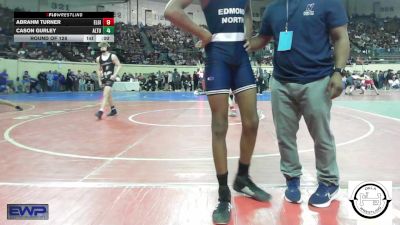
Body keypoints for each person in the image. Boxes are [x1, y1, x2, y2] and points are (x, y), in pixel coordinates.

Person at [165, 0, 271, 223]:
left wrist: (249, 38)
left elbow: (247, 11)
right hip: (218, 57)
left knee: (252, 121)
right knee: (219, 126)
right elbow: (171, 11)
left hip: (241, 57)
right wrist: (201, 32)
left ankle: (242, 178)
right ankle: (224, 194)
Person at [246, 0, 350, 208]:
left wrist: (338, 72)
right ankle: (292, 181)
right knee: (285, 137)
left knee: (321, 135)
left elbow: (341, 37)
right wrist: (244, 44)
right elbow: (263, 39)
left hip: (317, 80)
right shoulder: (273, 9)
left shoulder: (327, 3)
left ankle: (329, 183)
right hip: (281, 82)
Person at [95, 42, 122, 120]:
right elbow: (99, 70)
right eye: (101, 46)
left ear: (107, 47)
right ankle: (113, 110)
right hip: (104, 78)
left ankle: (100, 111)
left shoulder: (112, 56)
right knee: (108, 95)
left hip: (110, 78)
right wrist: (99, 80)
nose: (102, 48)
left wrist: (115, 75)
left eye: (104, 46)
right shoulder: (98, 59)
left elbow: (119, 65)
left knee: (105, 94)